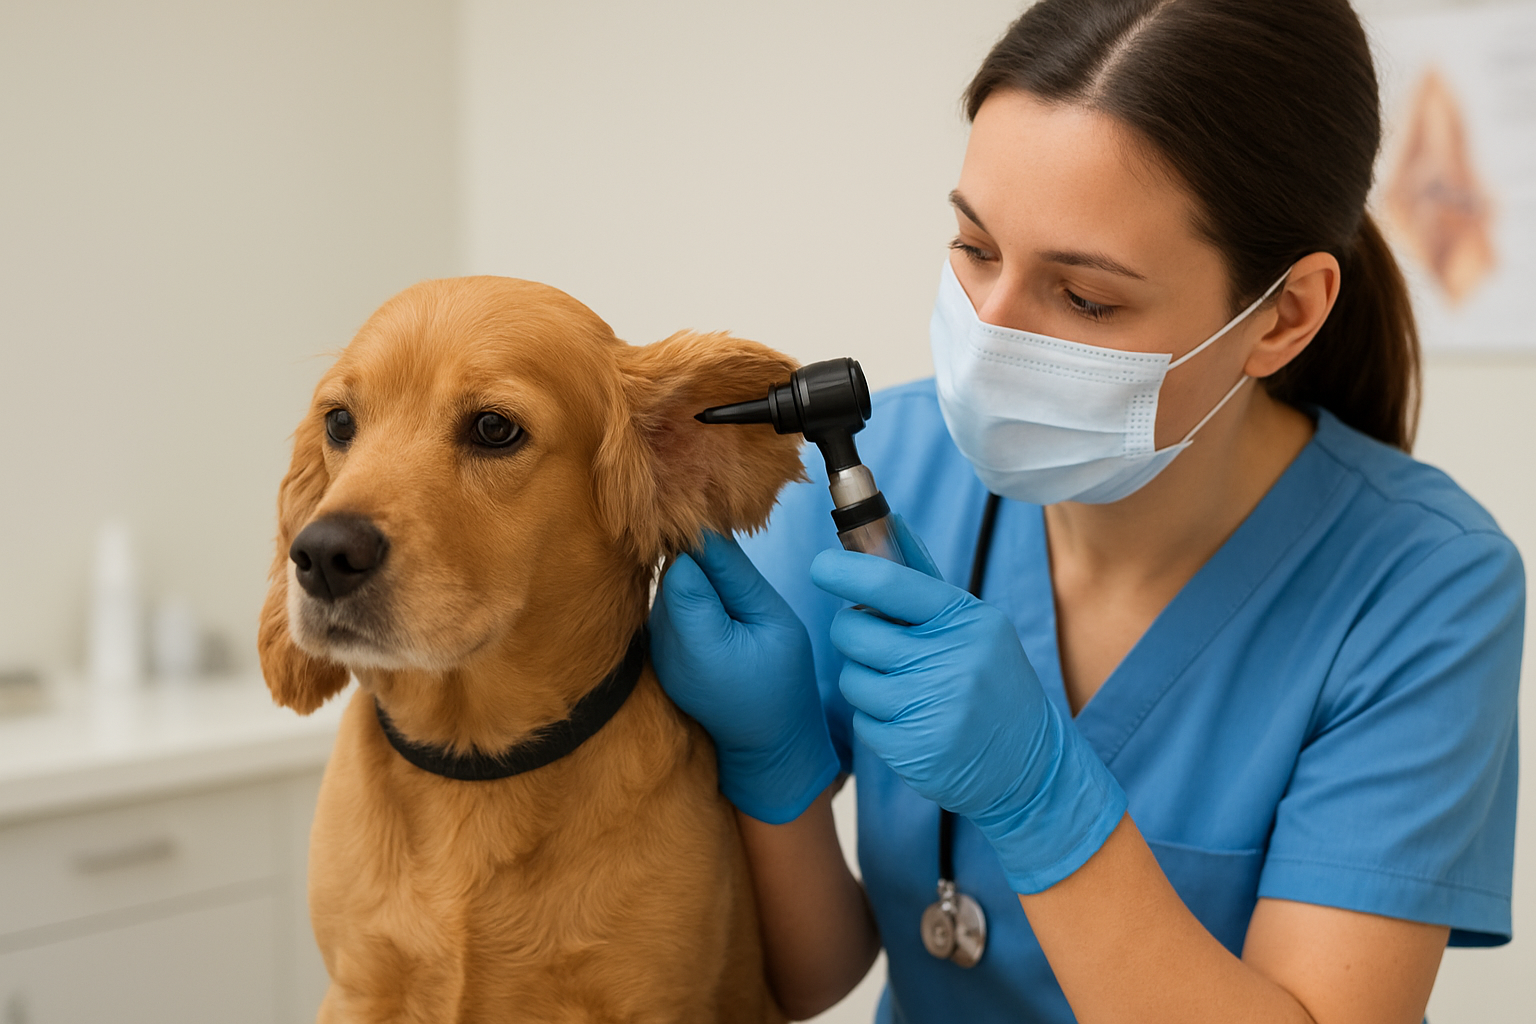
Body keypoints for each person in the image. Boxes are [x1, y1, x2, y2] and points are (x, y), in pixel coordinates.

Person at [649, 1, 1523, 1021]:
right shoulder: (871, 470)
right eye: (975, 247)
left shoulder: (1422, 583)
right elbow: (810, 976)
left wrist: (1043, 803)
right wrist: (774, 766)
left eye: (1087, 299)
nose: (990, 333)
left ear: (1283, 315)